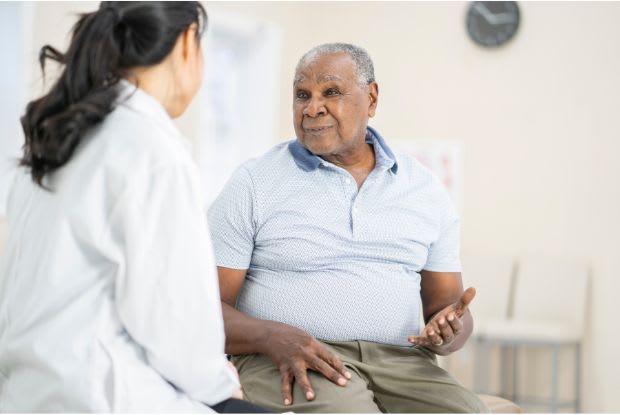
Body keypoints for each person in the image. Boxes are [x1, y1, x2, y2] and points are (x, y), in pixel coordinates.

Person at [0, 2, 268, 413]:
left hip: (26, 392)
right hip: (103, 396)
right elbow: (177, 325)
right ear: (185, 43)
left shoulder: (53, 139)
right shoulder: (152, 148)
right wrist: (221, 383)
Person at [208, 43, 489, 413]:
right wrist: (271, 335)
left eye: (331, 92)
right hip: (292, 356)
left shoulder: (424, 189)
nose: (312, 108)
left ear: (371, 99)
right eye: (302, 95)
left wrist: (450, 330)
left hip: (402, 363)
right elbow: (203, 307)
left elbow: (447, 308)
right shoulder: (253, 182)